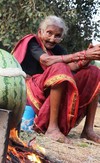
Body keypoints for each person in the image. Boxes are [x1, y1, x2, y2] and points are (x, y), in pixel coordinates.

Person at [12, 15, 100, 143]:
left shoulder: (57, 49)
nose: (52, 39)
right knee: (59, 67)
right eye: (49, 33)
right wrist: (83, 54)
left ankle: (88, 130)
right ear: (40, 32)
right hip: (29, 87)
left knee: (94, 72)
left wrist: (89, 56)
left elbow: (72, 67)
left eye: (57, 35)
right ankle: (52, 129)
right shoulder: (32, 42)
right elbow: (46, 60)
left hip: (49, 89)